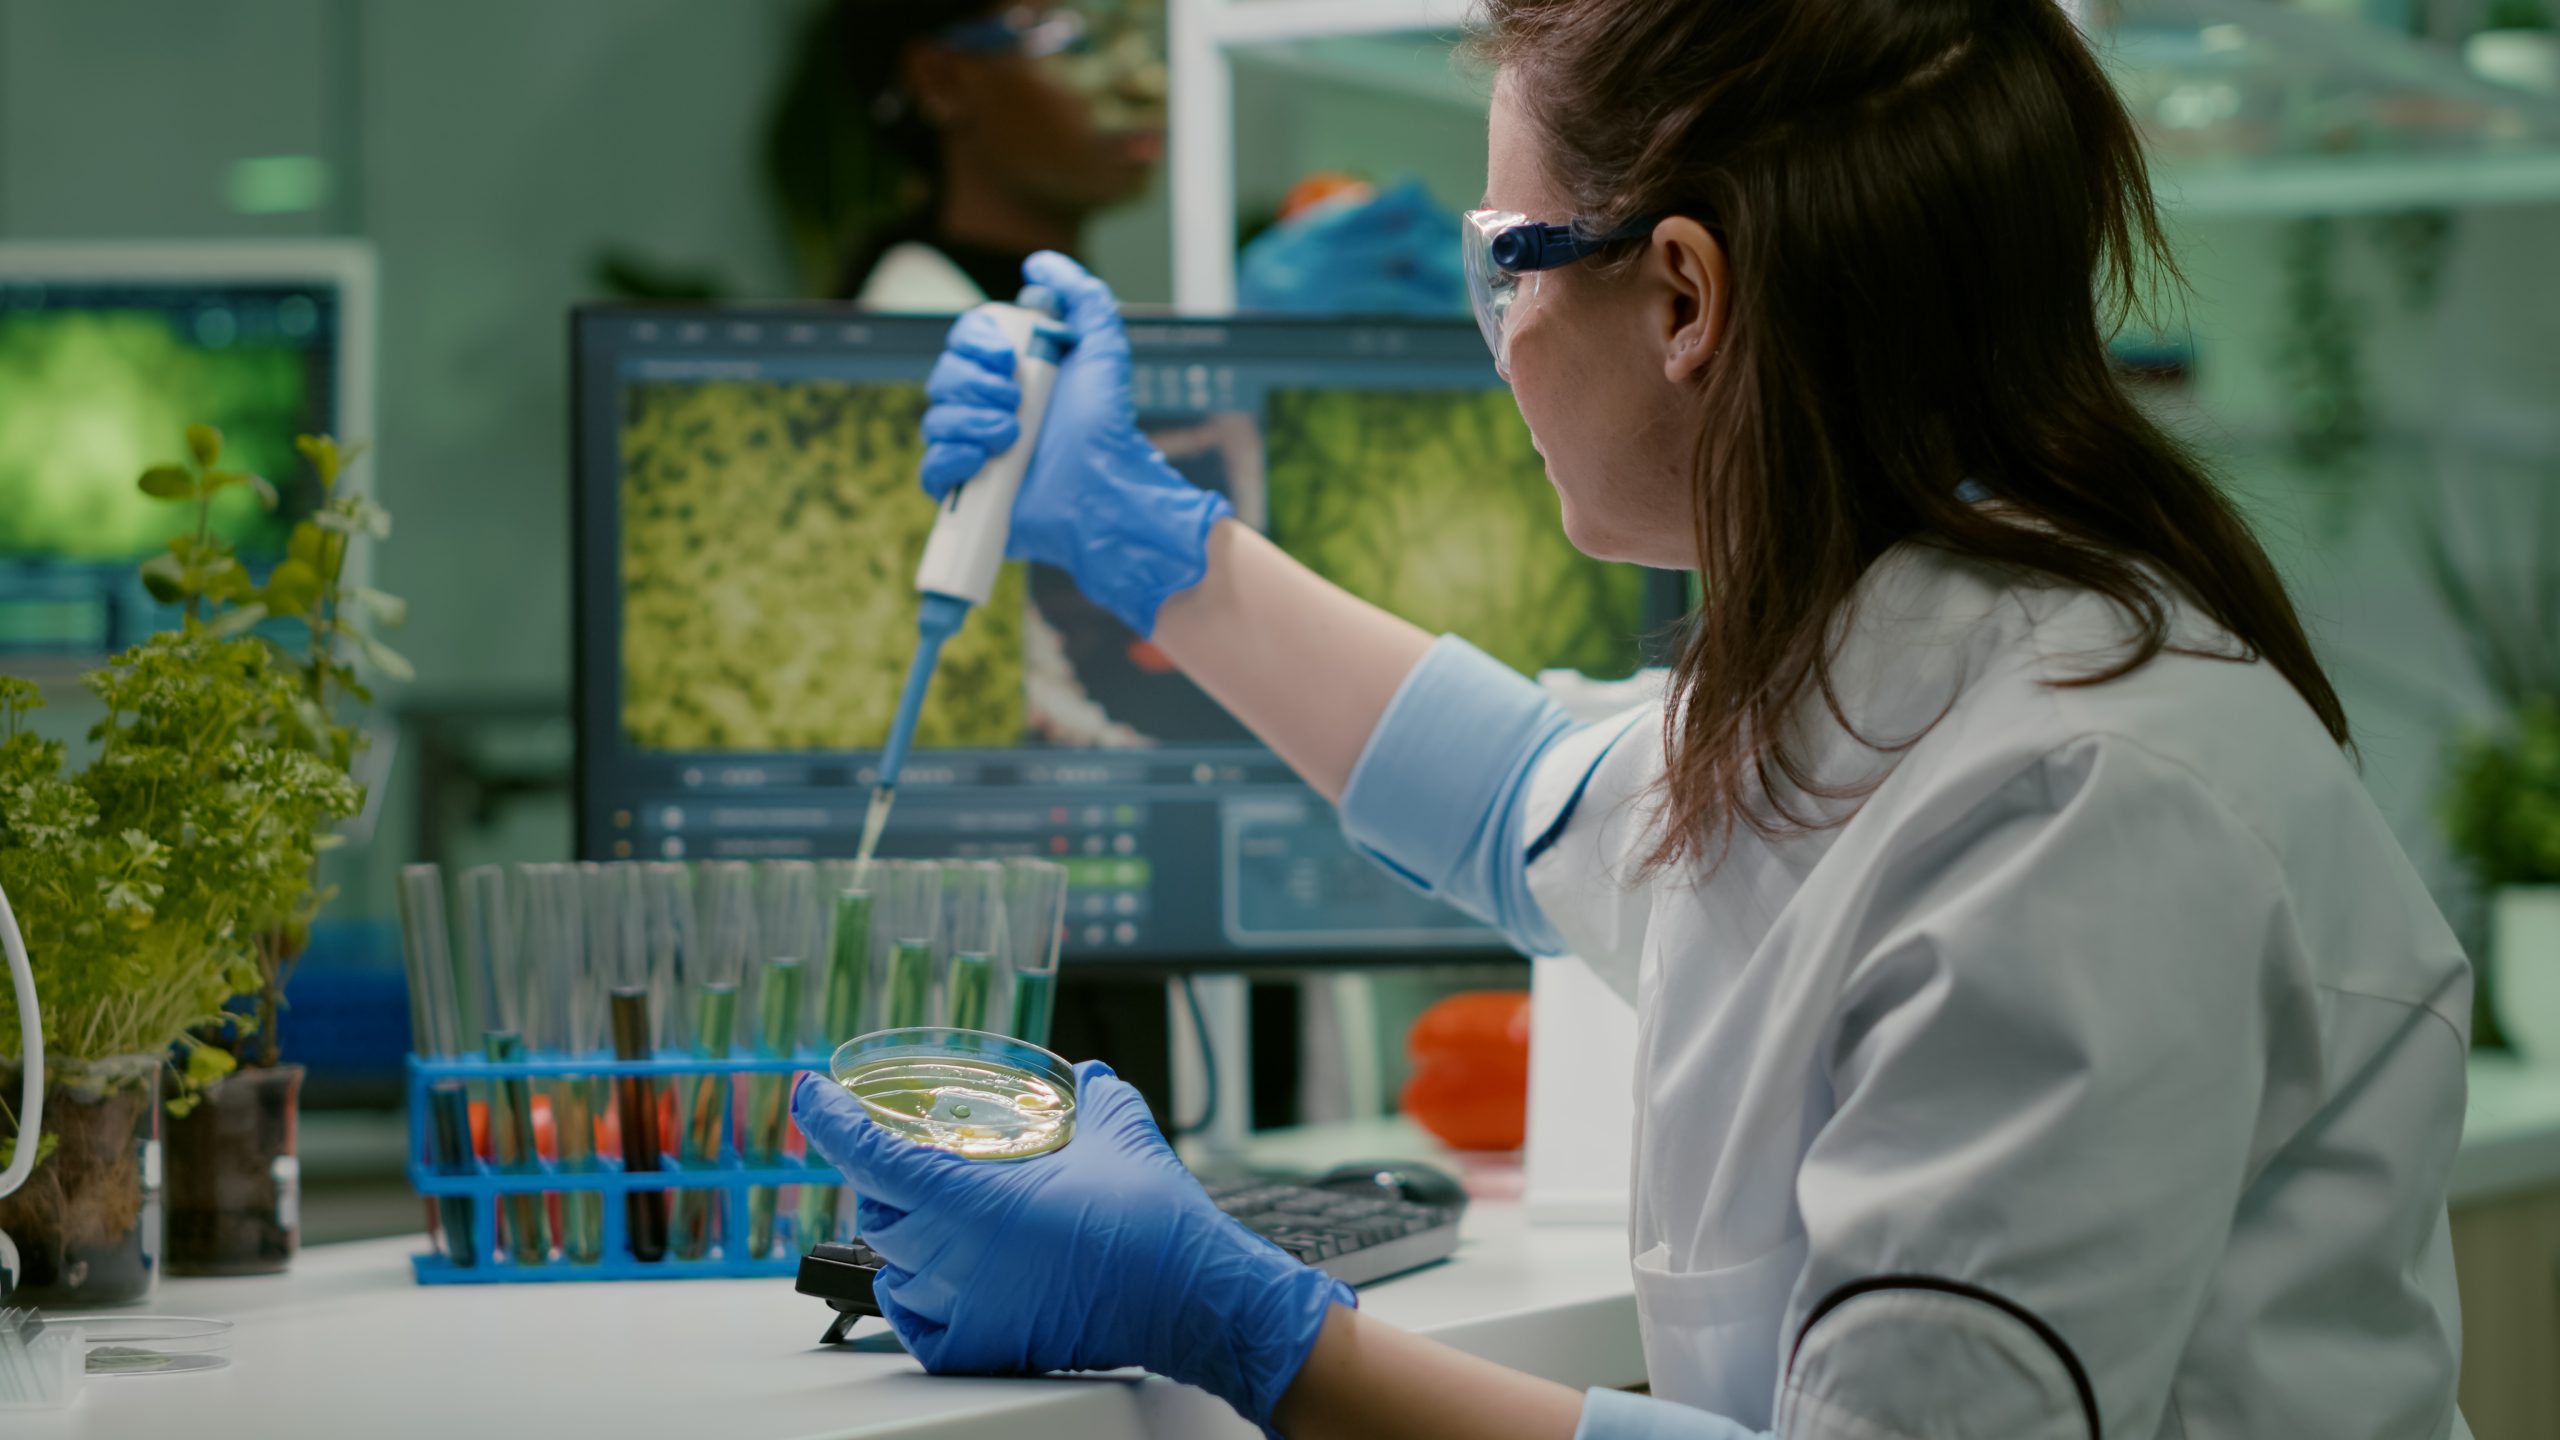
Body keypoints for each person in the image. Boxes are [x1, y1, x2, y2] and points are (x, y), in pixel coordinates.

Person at [791, 0, 2475, 1435]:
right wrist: (1146, 545)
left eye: (1502, 263)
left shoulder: (2080, 809)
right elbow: (1519, 788)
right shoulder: (1888, 670)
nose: (1500, 341)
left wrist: (1257, 1333)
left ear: (1683, 296)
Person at [766, 0, 1167, 309]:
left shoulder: (1059, 300)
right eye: (1078, 42)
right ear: (941, 80)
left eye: (1142, 36)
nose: (1149, 82)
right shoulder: (915, 324)